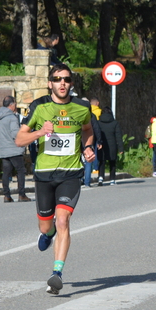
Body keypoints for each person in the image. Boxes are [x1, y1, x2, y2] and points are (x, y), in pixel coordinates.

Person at [15, 64, 97, 295]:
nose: (62, 83)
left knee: (63, 221)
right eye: (57, 79)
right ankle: (47, 234)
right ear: (50, 82)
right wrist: (40, 132)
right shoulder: (39, 107)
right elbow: (19, 140)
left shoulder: (82, 107)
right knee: (46, 224)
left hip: (71, 174)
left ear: (71, 83)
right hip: (44, 175)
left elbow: (87, 129)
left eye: (67, 79)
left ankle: (57, 274)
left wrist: (88, 147)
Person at [0, 96, 29, 203]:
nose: (15, 107)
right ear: (11, 104)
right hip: (15, 149)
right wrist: (21, 143)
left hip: (4, 149)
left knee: (6, 173)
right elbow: (15, 133)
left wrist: (3, 143)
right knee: (20, 171)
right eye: (15, 105)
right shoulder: (12, 117)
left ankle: (6, 195)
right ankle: (21, 194)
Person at [96, 100, 123, 184]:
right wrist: (121, 148)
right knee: (112, 162)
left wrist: (97, 143)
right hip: (112, 145)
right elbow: (118, 136)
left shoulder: (99, 123)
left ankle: (100, 177)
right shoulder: (115, 123)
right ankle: (112, 179)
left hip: (102, 144)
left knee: (102, 161)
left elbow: (96, 133)